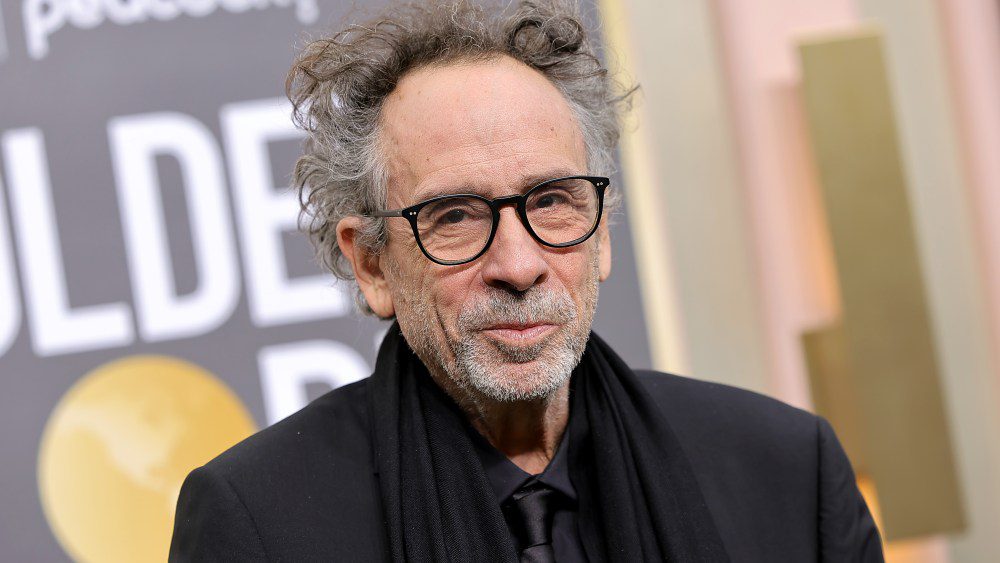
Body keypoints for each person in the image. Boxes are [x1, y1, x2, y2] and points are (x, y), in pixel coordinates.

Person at [169, 1, 883, 561]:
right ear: (372, 264)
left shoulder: (787, 473)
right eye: (453, 215)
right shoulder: (257, 521)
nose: (517, 264)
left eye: (550, 200)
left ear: (600, 231)